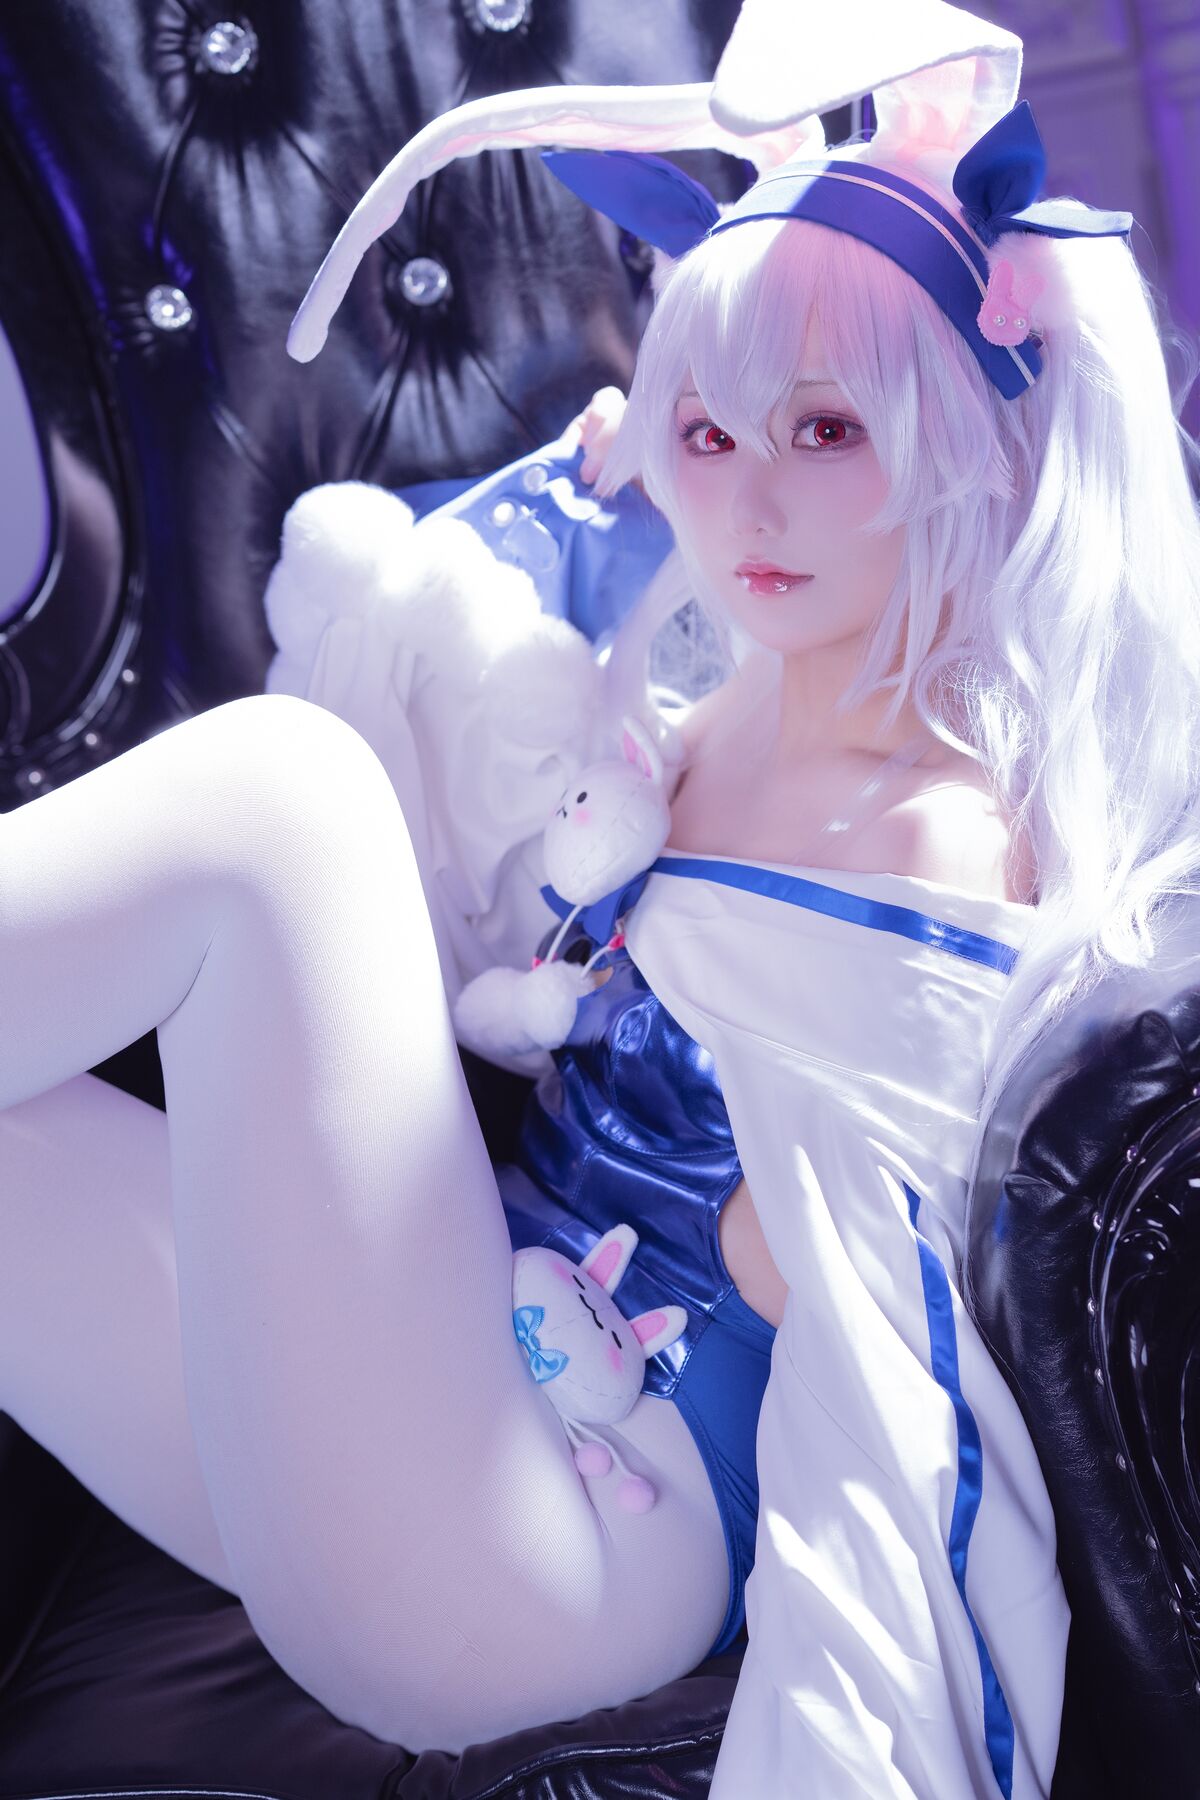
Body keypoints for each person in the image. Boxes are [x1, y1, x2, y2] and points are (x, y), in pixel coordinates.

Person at [3, 5, 1199, 1798]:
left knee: (286, 799)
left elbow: (885, 1361)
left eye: (825, 431)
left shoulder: (940, 833)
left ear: (965, 441)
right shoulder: (705, 712)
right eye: (707, 435)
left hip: (577, 1537)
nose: (752, 496)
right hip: (429, 1405)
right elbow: (461, 686)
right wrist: (615, 487)